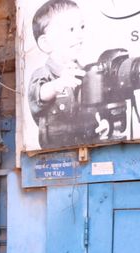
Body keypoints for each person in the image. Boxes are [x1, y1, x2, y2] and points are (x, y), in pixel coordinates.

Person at [28, 0, 106, 148]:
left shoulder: (87, 74)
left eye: (81, 27)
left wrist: (102, 126)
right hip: (56, 156)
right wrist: (58, 84)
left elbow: (96, 112)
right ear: (46, 43)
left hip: (87, 151)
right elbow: (38, 95)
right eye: (70, 29)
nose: (79, 35)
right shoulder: (43, 75)